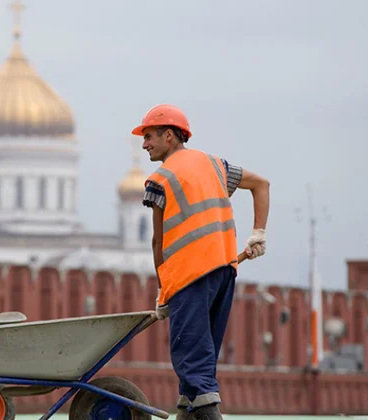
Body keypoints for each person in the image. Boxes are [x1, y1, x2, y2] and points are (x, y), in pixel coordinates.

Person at [134, 104, 270, 420]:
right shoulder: (215, 165)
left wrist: (163, 292)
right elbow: (261, 184)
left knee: (190, 357)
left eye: (149, 136)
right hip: (224, 271)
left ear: (169, 136)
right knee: (202, 356)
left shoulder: (159, 179)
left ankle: (209, 414)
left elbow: (159, 242)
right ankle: (188, 410)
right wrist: (258, 233)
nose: (144, 144)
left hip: (188, 277)